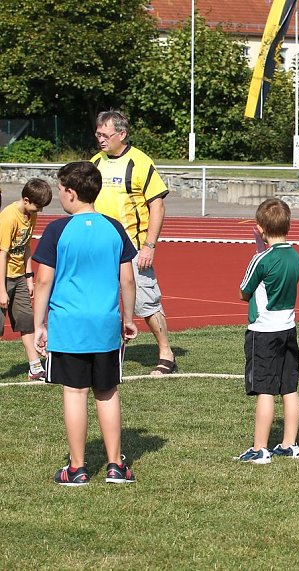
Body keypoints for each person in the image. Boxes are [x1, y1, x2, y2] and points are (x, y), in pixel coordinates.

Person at [32, 161, 138, 486]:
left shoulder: (57, 230)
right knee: (107, 391)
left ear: (70, 192)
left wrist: (39, 324)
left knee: (75, 392)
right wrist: (128, 319)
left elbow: (43, 281)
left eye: (60, 189)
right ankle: (115, 465)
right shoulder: (114, 227)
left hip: (69, 324)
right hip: (105, 323)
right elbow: (128, 279)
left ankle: (77, 468)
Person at [90, 109, 177, 375]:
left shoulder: (140, 162)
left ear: (122, 134)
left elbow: (157, 206)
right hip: (101, 247)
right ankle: (102, 351)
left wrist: (149, 246)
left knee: (145, 301)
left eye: (106, 135)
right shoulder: (95, 162)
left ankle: (166, 352)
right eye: (98, 134)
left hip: (134, 247)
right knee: (100, 301)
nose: (101, 139)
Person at [233, 198, 299, 464]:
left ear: (260, 228)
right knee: (289, 387)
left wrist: (259, 253)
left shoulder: (260, 259)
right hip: (288, 327)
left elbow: (243, 292)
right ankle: (290, 444)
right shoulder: (295, 256)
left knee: (264, 389)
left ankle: (260, 448)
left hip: (263, 331)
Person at [0, 178, 52, 380]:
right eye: (38, 206)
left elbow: (26, 247)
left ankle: (35, 367)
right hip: (3, 278)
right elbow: (2, 254)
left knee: (26, 321)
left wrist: (29, 277)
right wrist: (2, 290)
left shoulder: (31, 214)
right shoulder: (8, 218)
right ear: (26, 200)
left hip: (19, 276)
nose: (40, 210)